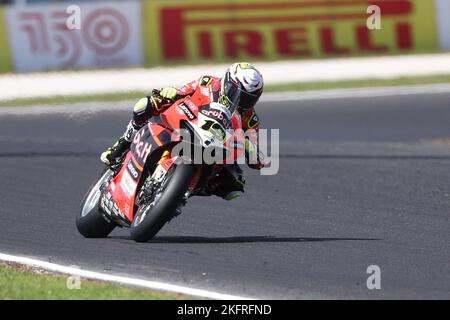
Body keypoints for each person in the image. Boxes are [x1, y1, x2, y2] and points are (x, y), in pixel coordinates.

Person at [101, 62, 264, 200]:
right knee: (146, 104)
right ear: (228, 83)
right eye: (238, 94)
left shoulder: (250, 118)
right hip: (187, 123)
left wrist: (253, 151)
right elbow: (182, 92)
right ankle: (120, 146)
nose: (241, 101)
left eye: (249, 98)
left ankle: (189, 188)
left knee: (236, 183)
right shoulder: (207, 83)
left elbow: (257, 156)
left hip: (216, 147)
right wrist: (171, 93)